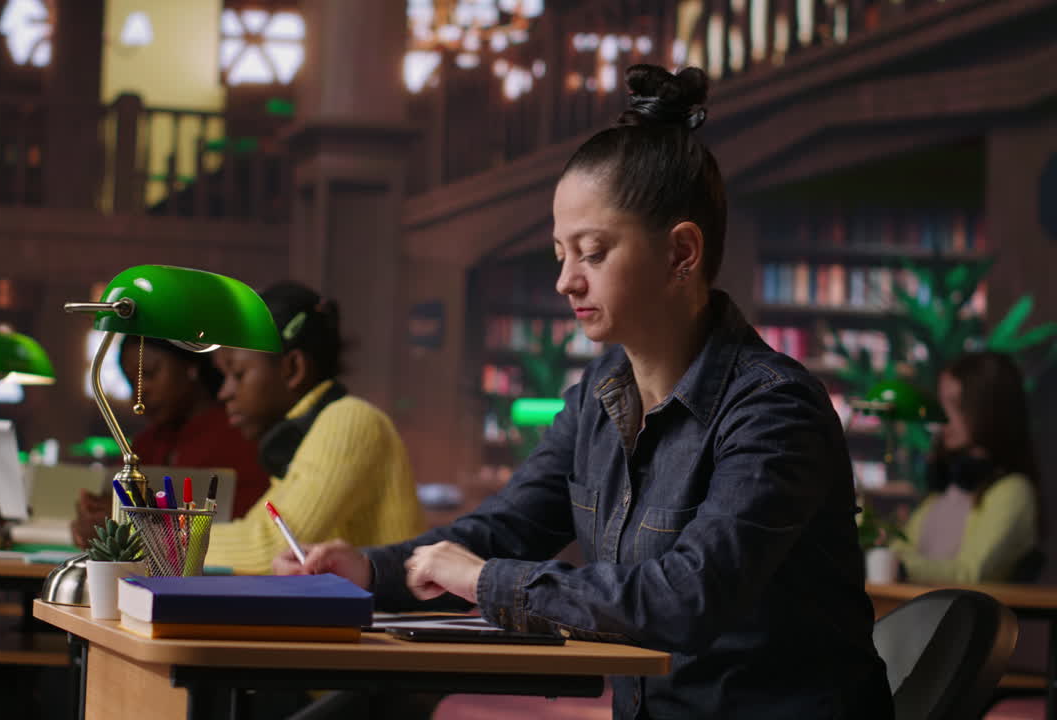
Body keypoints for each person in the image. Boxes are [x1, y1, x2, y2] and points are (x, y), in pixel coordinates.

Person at [275, 65, 894, 719]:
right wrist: (370, 571)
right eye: (558, 254)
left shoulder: (773, 411)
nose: (565, 282)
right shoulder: (599, 394)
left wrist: (482, 580)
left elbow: (684, 599)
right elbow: (509, 527)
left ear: (682, 253)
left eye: (592, 252)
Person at [204, 281, 427, 574]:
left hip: (390, 619)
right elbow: (257, 533)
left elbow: (273, 548)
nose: (224, 392)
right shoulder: (305, 438)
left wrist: (152, 538)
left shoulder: (350, 419)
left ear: (293, 368)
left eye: (238, 374)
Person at [71, 336, 268, 548]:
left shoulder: (241, 437)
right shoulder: (142, 446)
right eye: (131, 381)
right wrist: (95, 519)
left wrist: (132, 524)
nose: (139, 392)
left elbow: (244, 528)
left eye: (149, 374)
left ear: (190, 366)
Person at [891, 351, 1040, 583]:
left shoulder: (1013, 492)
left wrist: (899, 566)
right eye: (942, 403)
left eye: (956, 404)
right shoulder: (949, 490)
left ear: (990, 408)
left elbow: (971, 573)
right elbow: (901, 545)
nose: (942, 416)